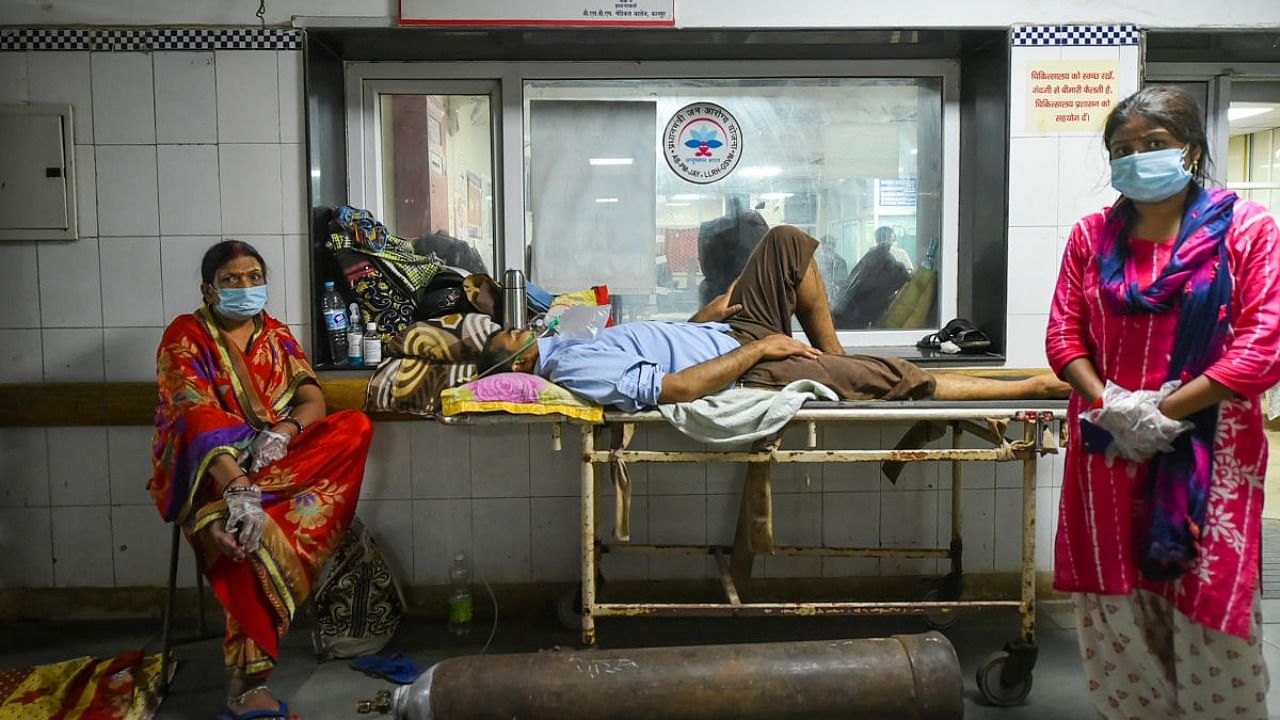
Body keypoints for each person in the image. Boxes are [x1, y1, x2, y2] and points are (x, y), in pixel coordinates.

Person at [1046, 86, 1280, 719]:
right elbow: (1063, 335)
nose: (1137, 158)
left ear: (1193, 151)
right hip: (1108, 450)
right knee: (1117, 619)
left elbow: (1262, 347)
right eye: (1122, 149)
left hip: (1211, 456)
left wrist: (1162, 413)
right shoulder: (1090, 237)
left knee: (1211, 610)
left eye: (1154, 145)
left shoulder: (1248, 231)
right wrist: (1115, 405)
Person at [480, 225, 1066, 411]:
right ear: (517, 361)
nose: (521, 326)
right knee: (887, 376)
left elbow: (664, 350)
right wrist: (760, 352)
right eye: (512, 333)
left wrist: (696, 320)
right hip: (743, 370)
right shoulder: (572, 372)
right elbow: (678, 386)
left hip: (724, 333)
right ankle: (1031, 383)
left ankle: (832, 357)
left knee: (785, 242)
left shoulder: (567, 340)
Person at [149, 240, 374, 720]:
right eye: (232, 280)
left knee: (354, 425)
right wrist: (237, 484)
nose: (246, 287)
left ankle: (251, 512)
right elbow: (191, 417)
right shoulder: (186, 335)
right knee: (242, 518)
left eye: (254, 277)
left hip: (273, 463)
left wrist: (283, 432)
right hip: (209, 471)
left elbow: (312, 400)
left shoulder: (275, 334)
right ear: (209, 290)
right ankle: (246, 686)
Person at [834, 226, 912, 328]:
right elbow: (906, 277)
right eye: (893, 239)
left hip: (851, 315)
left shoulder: (870, 257)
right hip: (855, 317)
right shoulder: (886, 260)